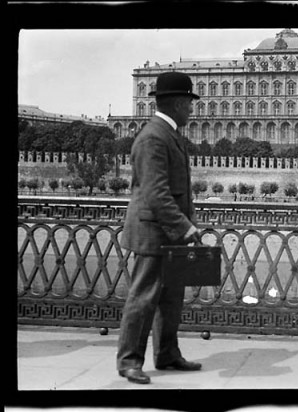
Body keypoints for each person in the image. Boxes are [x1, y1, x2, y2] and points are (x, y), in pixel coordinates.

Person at [116, 71, 203, 384]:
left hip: (170, 231)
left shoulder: (168, 134)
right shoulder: (154, 136)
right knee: (143, 298)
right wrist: (185, 226)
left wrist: (187, 224)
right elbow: (156, 193)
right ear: (178, 104)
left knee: (170, 298)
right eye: (189, 104)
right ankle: (129, 361)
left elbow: (179, 189)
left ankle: (167, 353)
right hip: (154, 231)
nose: (192, 110)